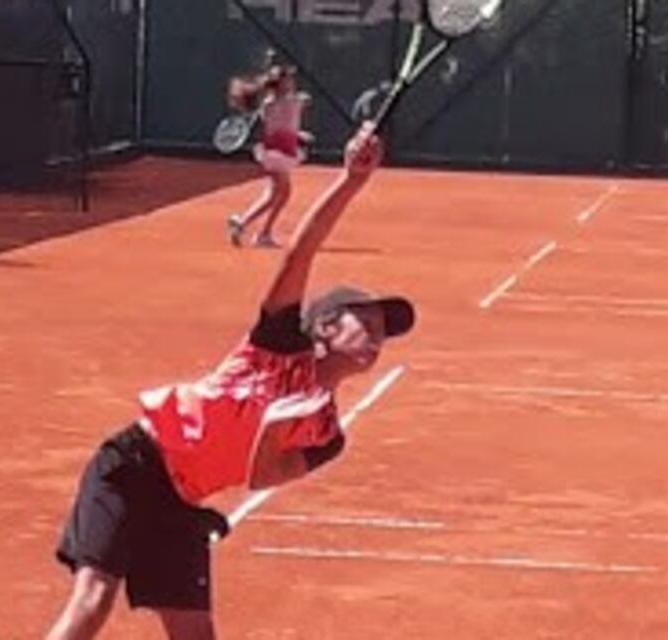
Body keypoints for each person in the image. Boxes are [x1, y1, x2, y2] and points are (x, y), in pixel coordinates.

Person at [45, 123, 415, 640]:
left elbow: (263, 477)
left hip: (181, 502)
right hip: (134, 465)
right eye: (367, 322)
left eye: (384, 332)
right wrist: (351, 181)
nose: (378, 337)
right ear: (327, 327)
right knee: (92, 602)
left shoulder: (328, 435)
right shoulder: (277, 343)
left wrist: (272, 430)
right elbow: (301, 253)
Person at [225, 64, 313, 248]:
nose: (293, 82)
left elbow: (282, 126)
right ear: (282, 84)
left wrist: (298, 134)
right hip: (278, 153)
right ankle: (242, 223)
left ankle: (263, 233)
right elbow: (301, 103)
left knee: (283, 194)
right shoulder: (290, 102)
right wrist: (298, 104)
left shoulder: (269, 105)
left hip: (278, 150)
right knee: (275, 195)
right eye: (289, 79)